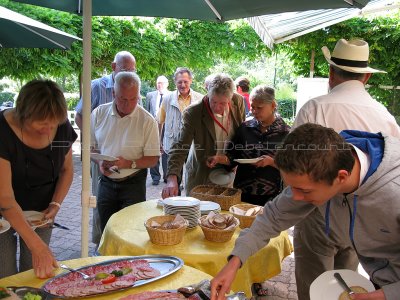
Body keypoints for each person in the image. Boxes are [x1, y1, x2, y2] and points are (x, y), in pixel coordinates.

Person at [211, 123, 400, 300]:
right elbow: (273, 217)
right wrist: (235, 262)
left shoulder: (394, 193)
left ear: (341, 177)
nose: (296, 198)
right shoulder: (326, 162)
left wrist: (386, 294)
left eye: (304, 190)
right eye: (291, 187)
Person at [291, 38, 400, 300]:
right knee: (346, 286)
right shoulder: (384, 114)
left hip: (315, 213)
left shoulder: (315, 108)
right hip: (362, 218)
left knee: (313, 286)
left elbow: (295, 168)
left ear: (331, 72)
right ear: (366, 77)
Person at [0, 79, 77, 279]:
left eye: (54, 123)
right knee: (5, 273)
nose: (49, 128)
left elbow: (67, 170)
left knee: (35, 273)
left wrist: (56, 203)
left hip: (40, 211)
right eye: (43, 123)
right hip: (3, 212)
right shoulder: (3, 132)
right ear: (23, 114)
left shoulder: (59, 126)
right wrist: (37, 246)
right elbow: (5, 199)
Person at [75, 50, 136, 245]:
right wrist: (95, 145)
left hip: (124, 157)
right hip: (99, 157)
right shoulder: (96, 86)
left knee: (123, 205)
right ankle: (100, 244)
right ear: (113, 67)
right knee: (101, 201)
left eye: (133, 70)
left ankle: (120, 243)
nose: (130, 73)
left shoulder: (133, 86)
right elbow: (79, 116)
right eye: (126, 69)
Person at [91, 71, 159, 233]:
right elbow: (90, 148)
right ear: (114, 93)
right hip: (106, 182)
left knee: (130, 231)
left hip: (133, 184)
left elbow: (153, 159)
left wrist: (129, 163)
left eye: (133, 99)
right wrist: (100, 162)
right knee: (107, 231)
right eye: (123, 99)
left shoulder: (147, 121)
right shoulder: (99, 114)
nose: (128, 104)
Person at [162, 73, 245, 198]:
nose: (217, 107)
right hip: (201, 173)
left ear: (230, 98)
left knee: (224, 214)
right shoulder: (193, 112)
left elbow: (241, 132)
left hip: (228, 172)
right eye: (213, 101)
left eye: (222, 103)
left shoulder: (237, 102)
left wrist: (233, 159)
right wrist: (172, 178)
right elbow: (180, 145)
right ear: (208, 93)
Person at [207, 85, 290, 206]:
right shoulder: (245, 128)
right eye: (252, 106)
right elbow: (233, 156)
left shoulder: (286, 133)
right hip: (242, 193)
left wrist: (272, 162)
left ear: (273, 105)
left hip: (272, 196)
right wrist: (219, 159)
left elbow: (292, 167)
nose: (253, 111)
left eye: (259, 108)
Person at [157, 67, 203, 186]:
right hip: (172, 146)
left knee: (193, 180)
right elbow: (160, 121)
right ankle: (173, 203)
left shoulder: (200, 99)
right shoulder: (167, 99)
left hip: (193, 146)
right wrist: (158, 141)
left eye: (185, 81)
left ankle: (191, 203)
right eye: (179, 82)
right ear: (175, 82)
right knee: (172, 181)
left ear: (191, 81)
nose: (182, 85)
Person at [145, 75, 170, 185]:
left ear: (167, 84)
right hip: (153, 126)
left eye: (162, 83)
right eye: (158, 83)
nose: (159, 85)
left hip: (167, 126)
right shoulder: (150, 95)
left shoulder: (171, 96)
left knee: (166, 151)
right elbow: (146, 111)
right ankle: (155, 177)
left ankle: (166, 175)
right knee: (152, 150)